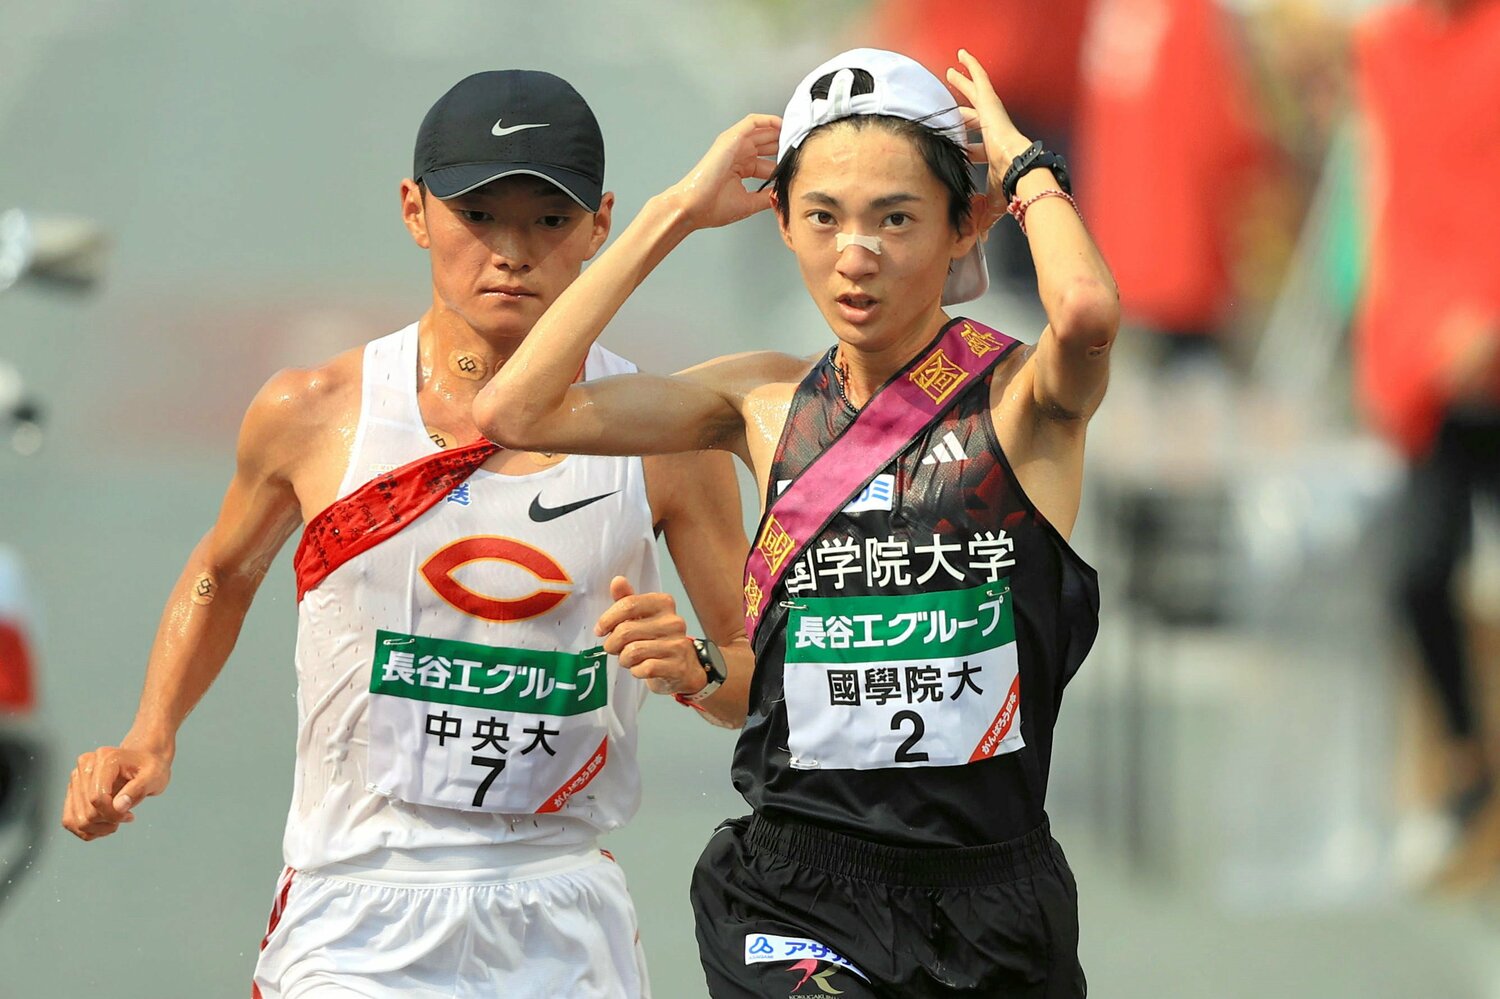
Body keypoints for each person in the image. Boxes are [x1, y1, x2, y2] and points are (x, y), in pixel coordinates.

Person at [60, 69, 753, 998]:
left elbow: (757, 682)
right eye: (479, 215)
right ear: (414, 210)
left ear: (600, 225)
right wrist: (152, 734)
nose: (511, 252)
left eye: (549, 220)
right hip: (353, 909)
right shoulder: (315, 412)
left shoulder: (669, 440)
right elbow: (223, 572)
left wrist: (697, 666)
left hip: (556, 910)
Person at [474, 48, 1117, 998]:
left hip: (992, 904)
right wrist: (675, 212)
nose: (856, 254)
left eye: (896, 218)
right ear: (781, 221)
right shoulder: (762, 402)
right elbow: (515, 410)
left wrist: (1026, 168)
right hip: (795, 894)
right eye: (823, 217)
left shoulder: (1022, 403)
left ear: (963, 224)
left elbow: (1088, 311)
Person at [1352, 0, 1500, 877]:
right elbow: (1387, 195)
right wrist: (1384, 341)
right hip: (1428, 368)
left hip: (1482, 339)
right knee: (1416, 573)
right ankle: (1466, 767)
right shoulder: (1388, 47)